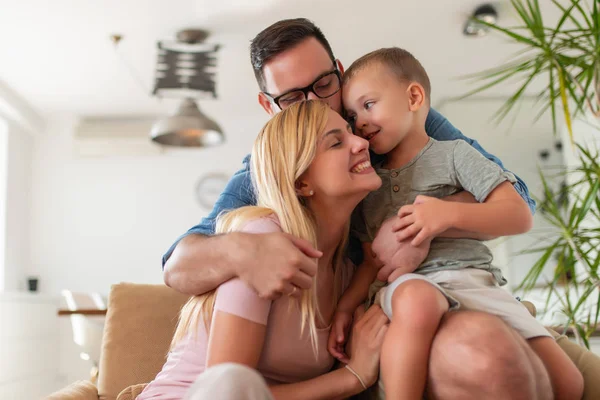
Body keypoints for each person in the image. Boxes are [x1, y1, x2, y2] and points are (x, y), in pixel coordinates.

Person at [162, 18, 586, 399]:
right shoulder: (271, 169)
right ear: (268, 107)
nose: (319, 105)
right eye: (293, 97)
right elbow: (177, 264)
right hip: (392, 299)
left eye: (324, 85)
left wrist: (416, 222)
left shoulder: (395, 118)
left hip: (430, 283)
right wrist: (243, 250)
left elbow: (516, 198)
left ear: (340, 72)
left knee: (573, 380)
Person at [328, 47, 583, 400]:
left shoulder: (455, 154)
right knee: (418, 300)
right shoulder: (368, 183)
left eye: (369, 105)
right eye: (353, 117)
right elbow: (373, 261)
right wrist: (345, 307)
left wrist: (444, 215)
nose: (361, 123)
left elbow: (518, 214)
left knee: (570, 383)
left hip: (477, 282)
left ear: (414, 97)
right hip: (409, 289)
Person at [139, 100, 389, 400]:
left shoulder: (345, 272)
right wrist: (351, 378)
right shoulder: (262, 241)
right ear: (301, 182)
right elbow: (230, 389)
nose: (362, 142)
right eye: (337, 143)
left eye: (352, 133)